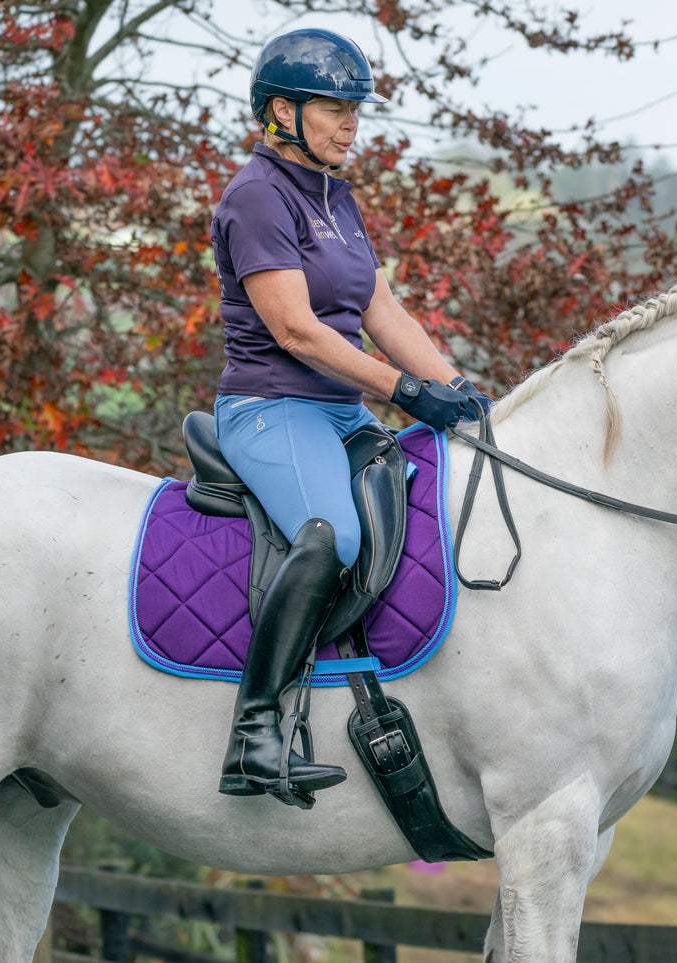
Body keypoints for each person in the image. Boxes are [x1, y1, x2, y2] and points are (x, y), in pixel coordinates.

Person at [210, 27, 490, 803]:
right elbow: (296, 329)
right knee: (335, 534)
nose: (349, 125)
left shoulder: (336, 195)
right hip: (272, 407)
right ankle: (255, 734)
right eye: (334, 109)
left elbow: (380, 307)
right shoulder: (256, 196)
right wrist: (404, 391)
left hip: (339, 409)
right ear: (280, 113)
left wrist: (461, 392)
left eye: (353, 111)